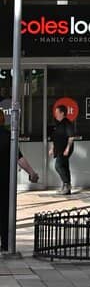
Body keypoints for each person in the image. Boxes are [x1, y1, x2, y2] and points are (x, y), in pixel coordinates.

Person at [0, 107, 39, 252]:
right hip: (5, 181)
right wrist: (32, 173)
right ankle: (5, 244)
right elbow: (19, 158)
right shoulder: (7, 136)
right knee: (4, 213)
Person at [49, 103, 75, 195]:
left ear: (62, 113)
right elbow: (54, 138)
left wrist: (67, 149)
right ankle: (66, 188)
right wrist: (52, 148)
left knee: (58, 166)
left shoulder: (67, 123)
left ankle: (67, 185)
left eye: (57, 112)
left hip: (64, 149)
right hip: (59, 149)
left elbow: (71, 137)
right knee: (65, 167)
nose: (55, 114)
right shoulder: (57, 124)